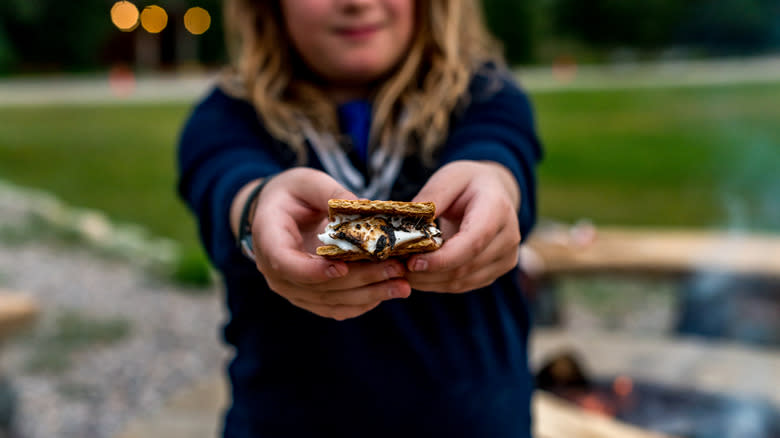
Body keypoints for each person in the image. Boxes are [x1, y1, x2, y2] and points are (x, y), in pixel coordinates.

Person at [177, 0, 542, 436]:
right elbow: (229, 184)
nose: (357, 3)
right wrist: (259, 215)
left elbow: (499, 151)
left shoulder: (486, 93)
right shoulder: (227, 113)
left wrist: (495, 188)